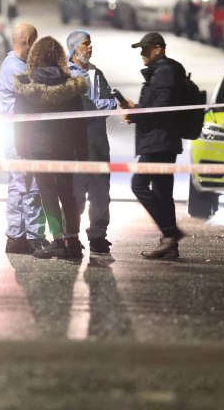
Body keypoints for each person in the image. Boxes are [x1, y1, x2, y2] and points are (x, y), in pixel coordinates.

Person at [13, 36, 89, 261]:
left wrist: (21, 150)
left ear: (35, 56)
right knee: (67, 193)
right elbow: (79, 122)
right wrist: (82, 151)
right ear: (59, 57)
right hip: (65, 147)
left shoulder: (27, 86)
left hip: (37, 149)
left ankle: (57, 240)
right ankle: (73, 241)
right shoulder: (70, 86)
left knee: (47, 194)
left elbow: (21, 123)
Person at [121, 32, 186, 260]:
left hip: (160, 142)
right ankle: (170, 244)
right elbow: (156, 106)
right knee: (162, 191)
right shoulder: (162, 71)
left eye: (145, 49)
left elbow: (160, 108)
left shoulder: (165, 71)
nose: (142, 54)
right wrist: (135, 110)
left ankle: (170, 233)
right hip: (161, 140)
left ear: (158, 49)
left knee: (139, 185)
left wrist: (136, 113)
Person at [0, 23, 47, 254]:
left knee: (17, 186)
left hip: (15, 134)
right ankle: (36, 237)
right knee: (31, 186)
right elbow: (39, 94)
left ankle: (16, 237)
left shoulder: (13, 64)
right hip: (19, 137)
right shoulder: (17, 69)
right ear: (27, 42)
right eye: (35, 42)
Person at [65, 29, 118, 255]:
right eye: (86, 44)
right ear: (75, 48)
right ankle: (70, 237)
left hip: (98, 143)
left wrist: (93, 108)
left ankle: (98, 235)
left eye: (90, 43)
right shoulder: (65, 75)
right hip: (75, 144)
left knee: (100, 192)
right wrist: (96, 107)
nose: (90, 47)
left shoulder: (97, 73)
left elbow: (110, 103)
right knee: (74, 193)